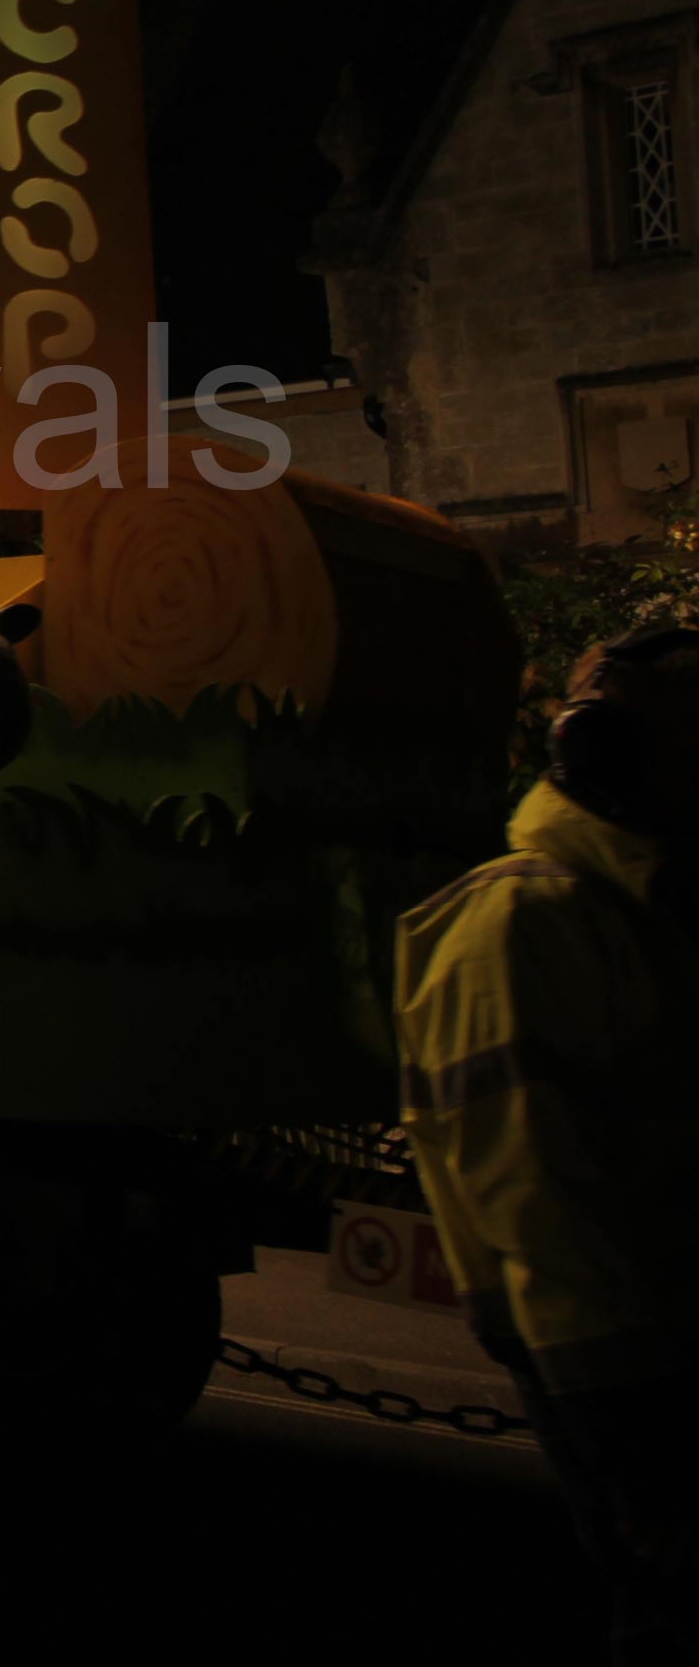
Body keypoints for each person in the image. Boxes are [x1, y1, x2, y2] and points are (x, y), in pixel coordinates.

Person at [398, 625, 697, 1658]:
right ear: (604, 753)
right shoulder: (524, 925)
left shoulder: (643, 909)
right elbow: (543, 1215)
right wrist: (636, 1448)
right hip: (635, 1386)